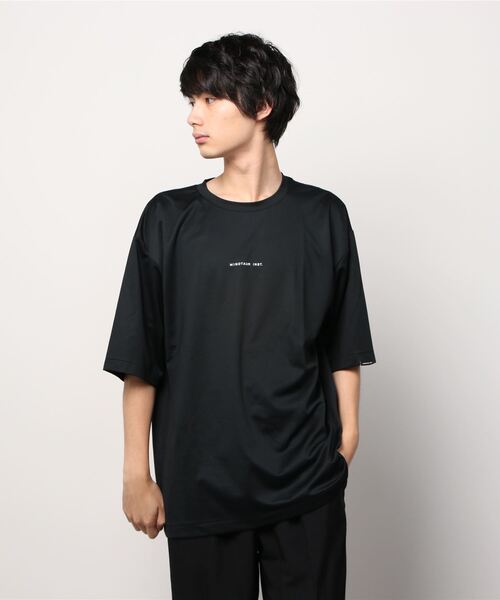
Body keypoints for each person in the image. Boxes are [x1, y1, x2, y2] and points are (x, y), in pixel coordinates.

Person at [103, 32, 376, 600]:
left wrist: (345, 443)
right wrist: (136, 473)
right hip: (200, 483)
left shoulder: (322, 216)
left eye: (210, 99)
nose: (193, 116)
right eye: (191, 101)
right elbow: (140, 354)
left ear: (262, 106)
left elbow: (343, 342)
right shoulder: (168, 218)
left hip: (306, 484)